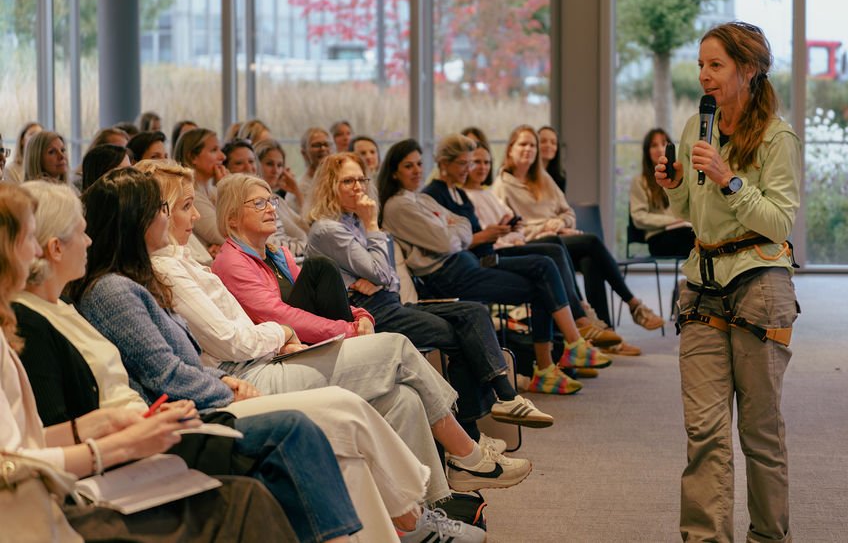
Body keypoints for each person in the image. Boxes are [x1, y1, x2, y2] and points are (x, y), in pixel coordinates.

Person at [68, 168, 498, 540]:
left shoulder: (150, 275)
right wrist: (232, 382)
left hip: (238, 373)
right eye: (168, 209)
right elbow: (178, 367)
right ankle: (442, 490)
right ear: (135, 222)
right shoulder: (119, 288)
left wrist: (328, 324)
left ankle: (426, 510)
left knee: (396, 396)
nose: (190, 216)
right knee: (384, 364)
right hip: (220, 394)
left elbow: (196, 354)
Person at [0, 182, 301, 543]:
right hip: (49, 502)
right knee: (264, 470)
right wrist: (122, 441)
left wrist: (103, 423)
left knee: (270, 470)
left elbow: (25, 442)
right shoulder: (59, 308)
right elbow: (13, 461)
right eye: (29, 239)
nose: (35, 250)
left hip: (120, 442)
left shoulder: (58, 307)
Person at [208, 171, 532, 497]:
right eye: (259, 203)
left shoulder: (278, 254)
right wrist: (348, 330)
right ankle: (468, 454)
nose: (271, 209)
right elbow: (279, 315)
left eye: (273, 201)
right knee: (398, 346)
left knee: (405, 398)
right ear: (233, 216)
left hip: (308, 342)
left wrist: (361, 315)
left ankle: (433, 504)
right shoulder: (232, 262)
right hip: (277, 358)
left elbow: (328, 297)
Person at [655, 21, 800, 543]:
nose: (704, 76)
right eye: (700, 65)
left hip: (760, 286)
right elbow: (695, 210)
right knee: (705, 435)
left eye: (715, 65)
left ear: (749, 69)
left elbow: (780, 222)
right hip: (700, 286)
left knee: (760, 434)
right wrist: (674, 187)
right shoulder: (697, 125)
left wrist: (729, 179)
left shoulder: (777, 137)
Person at [305, 152, 553, 429]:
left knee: (473, 311)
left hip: (388, 302)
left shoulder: (354, 221)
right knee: (457, 335)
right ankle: (476, 432)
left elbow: (391, 278)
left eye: (361, 179)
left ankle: (505, 399)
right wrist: (373, 228)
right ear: (330, 186)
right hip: (365, 313)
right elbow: (381, 272)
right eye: (347, 181)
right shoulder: (329, 229)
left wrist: (379, 276)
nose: (358, 187)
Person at [379, 139, 611, 396]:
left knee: (546, 267)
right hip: (449, 274)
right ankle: (563, 351)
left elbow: (464, 225)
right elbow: (447, 241)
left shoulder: (419, 198)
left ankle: (557, 358)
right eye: (408, 166)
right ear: (394, 171)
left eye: (419, 164)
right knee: (543, 273)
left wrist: (456, 230)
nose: (417, 170)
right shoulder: (399, 205)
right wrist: (455, 230)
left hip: (464, 263)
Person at [431, 135, 632, 355]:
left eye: (477, 162)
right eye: (465, 163)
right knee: (553, 262)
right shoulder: (442, 195)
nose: (470, 168)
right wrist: (490, 234)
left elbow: (486, 229)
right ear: (444, 163)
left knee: (565, 255)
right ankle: (577, 334)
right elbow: (456, 240)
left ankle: (573, 338)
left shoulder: (461, 193)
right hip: (479, 260)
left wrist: (503, 231)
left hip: (495, 248)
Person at [492, 125, 664, 331]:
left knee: (590, 261)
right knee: (591, 241)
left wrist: (561, 224)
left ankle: (605, 331)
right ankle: (633, 304)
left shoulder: (543, 179)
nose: (528, 149)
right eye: (523, 144)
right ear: (510, 148)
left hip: (558, 238)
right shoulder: (501, 186)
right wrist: (546, 229)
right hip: (536, 244)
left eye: (532, 145)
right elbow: (510, 232)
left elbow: (568, 213)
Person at [631, 128, 696, 257]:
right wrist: (672, 220)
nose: (660, 149)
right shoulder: (640, 181)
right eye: (654, 145)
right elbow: (639, 217)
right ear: (647, 151)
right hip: (658, 237)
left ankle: (693, 276)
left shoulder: (681, 177)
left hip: (684, 229)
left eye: (664, 143)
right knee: (694, 239)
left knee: (700, 236)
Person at [174, 127, 228, 253]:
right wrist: (226, 189)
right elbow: (226, 235)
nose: (223, 156)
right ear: (193, 157)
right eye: (214, 150)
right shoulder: (190, 196)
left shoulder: (214, 191)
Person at [255, 139, 309, 256]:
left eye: (279, 165)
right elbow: (273, 245)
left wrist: (296, 191)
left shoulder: (275, 198)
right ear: (256, 165)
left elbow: (306, 227)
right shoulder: (256, 201)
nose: (275, 171)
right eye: (269, 164)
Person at [288, 127, 332, 214]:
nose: (322, 148)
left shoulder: (337, 180)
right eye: (316, 145)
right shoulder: (300, 187)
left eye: (326, 144)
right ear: (304, 153)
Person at [538, 125, 566, 192]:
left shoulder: (560, 175)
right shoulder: (525, 173)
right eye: (543, 141)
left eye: (553, 143)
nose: (548, 145)